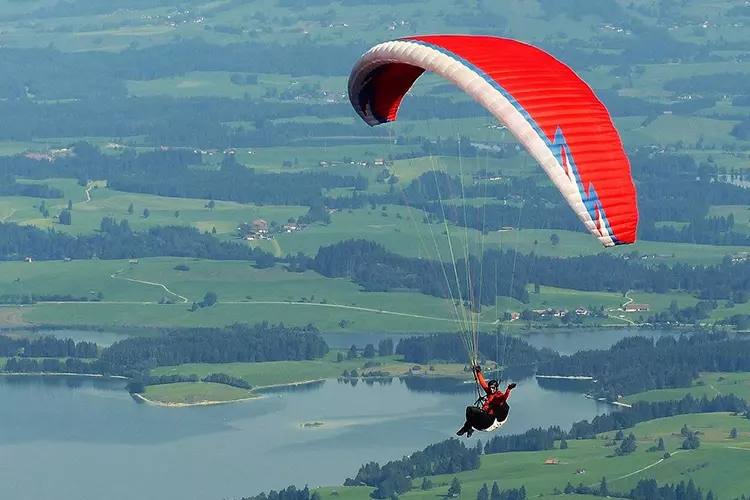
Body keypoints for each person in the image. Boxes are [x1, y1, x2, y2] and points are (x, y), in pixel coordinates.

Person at [456, 365, 516, 437]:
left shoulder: (498, 395)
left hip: (489, 421)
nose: (491, 389)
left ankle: (467, 428)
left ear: (496, 388)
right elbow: (482, 383)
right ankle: (468, 428)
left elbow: (504, 398)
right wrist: (478, 372)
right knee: (469, 411)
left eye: (493, 388)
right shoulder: (489, 392)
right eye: (490, 388)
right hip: (483, 421)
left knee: (471, 409)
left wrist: (508, 389)